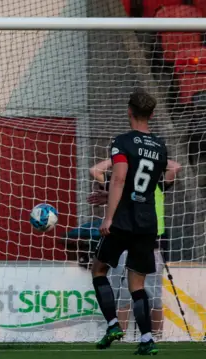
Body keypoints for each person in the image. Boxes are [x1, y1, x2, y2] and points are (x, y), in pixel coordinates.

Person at [92, 89, 168, 355]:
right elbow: (146, 186)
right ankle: (147, 338)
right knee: (138, 285)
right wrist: (112, 197)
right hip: (148, 222)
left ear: (129, 111)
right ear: (153, 114)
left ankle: (113, 323)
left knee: (99, 269)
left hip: (123, 220)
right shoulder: (160, 146)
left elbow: (121, 179)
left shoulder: (122, 142)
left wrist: (109, 215)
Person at [89, 157, 181, 340]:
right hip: (123, 238)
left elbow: (175, 166)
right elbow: (95, 170)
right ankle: (120, 338)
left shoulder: (156, 182)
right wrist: (119, 158)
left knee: (153, 295)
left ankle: (157, 337)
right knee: (123, 293)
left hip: (153, 242)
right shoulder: (119, 182)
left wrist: (149, 157)